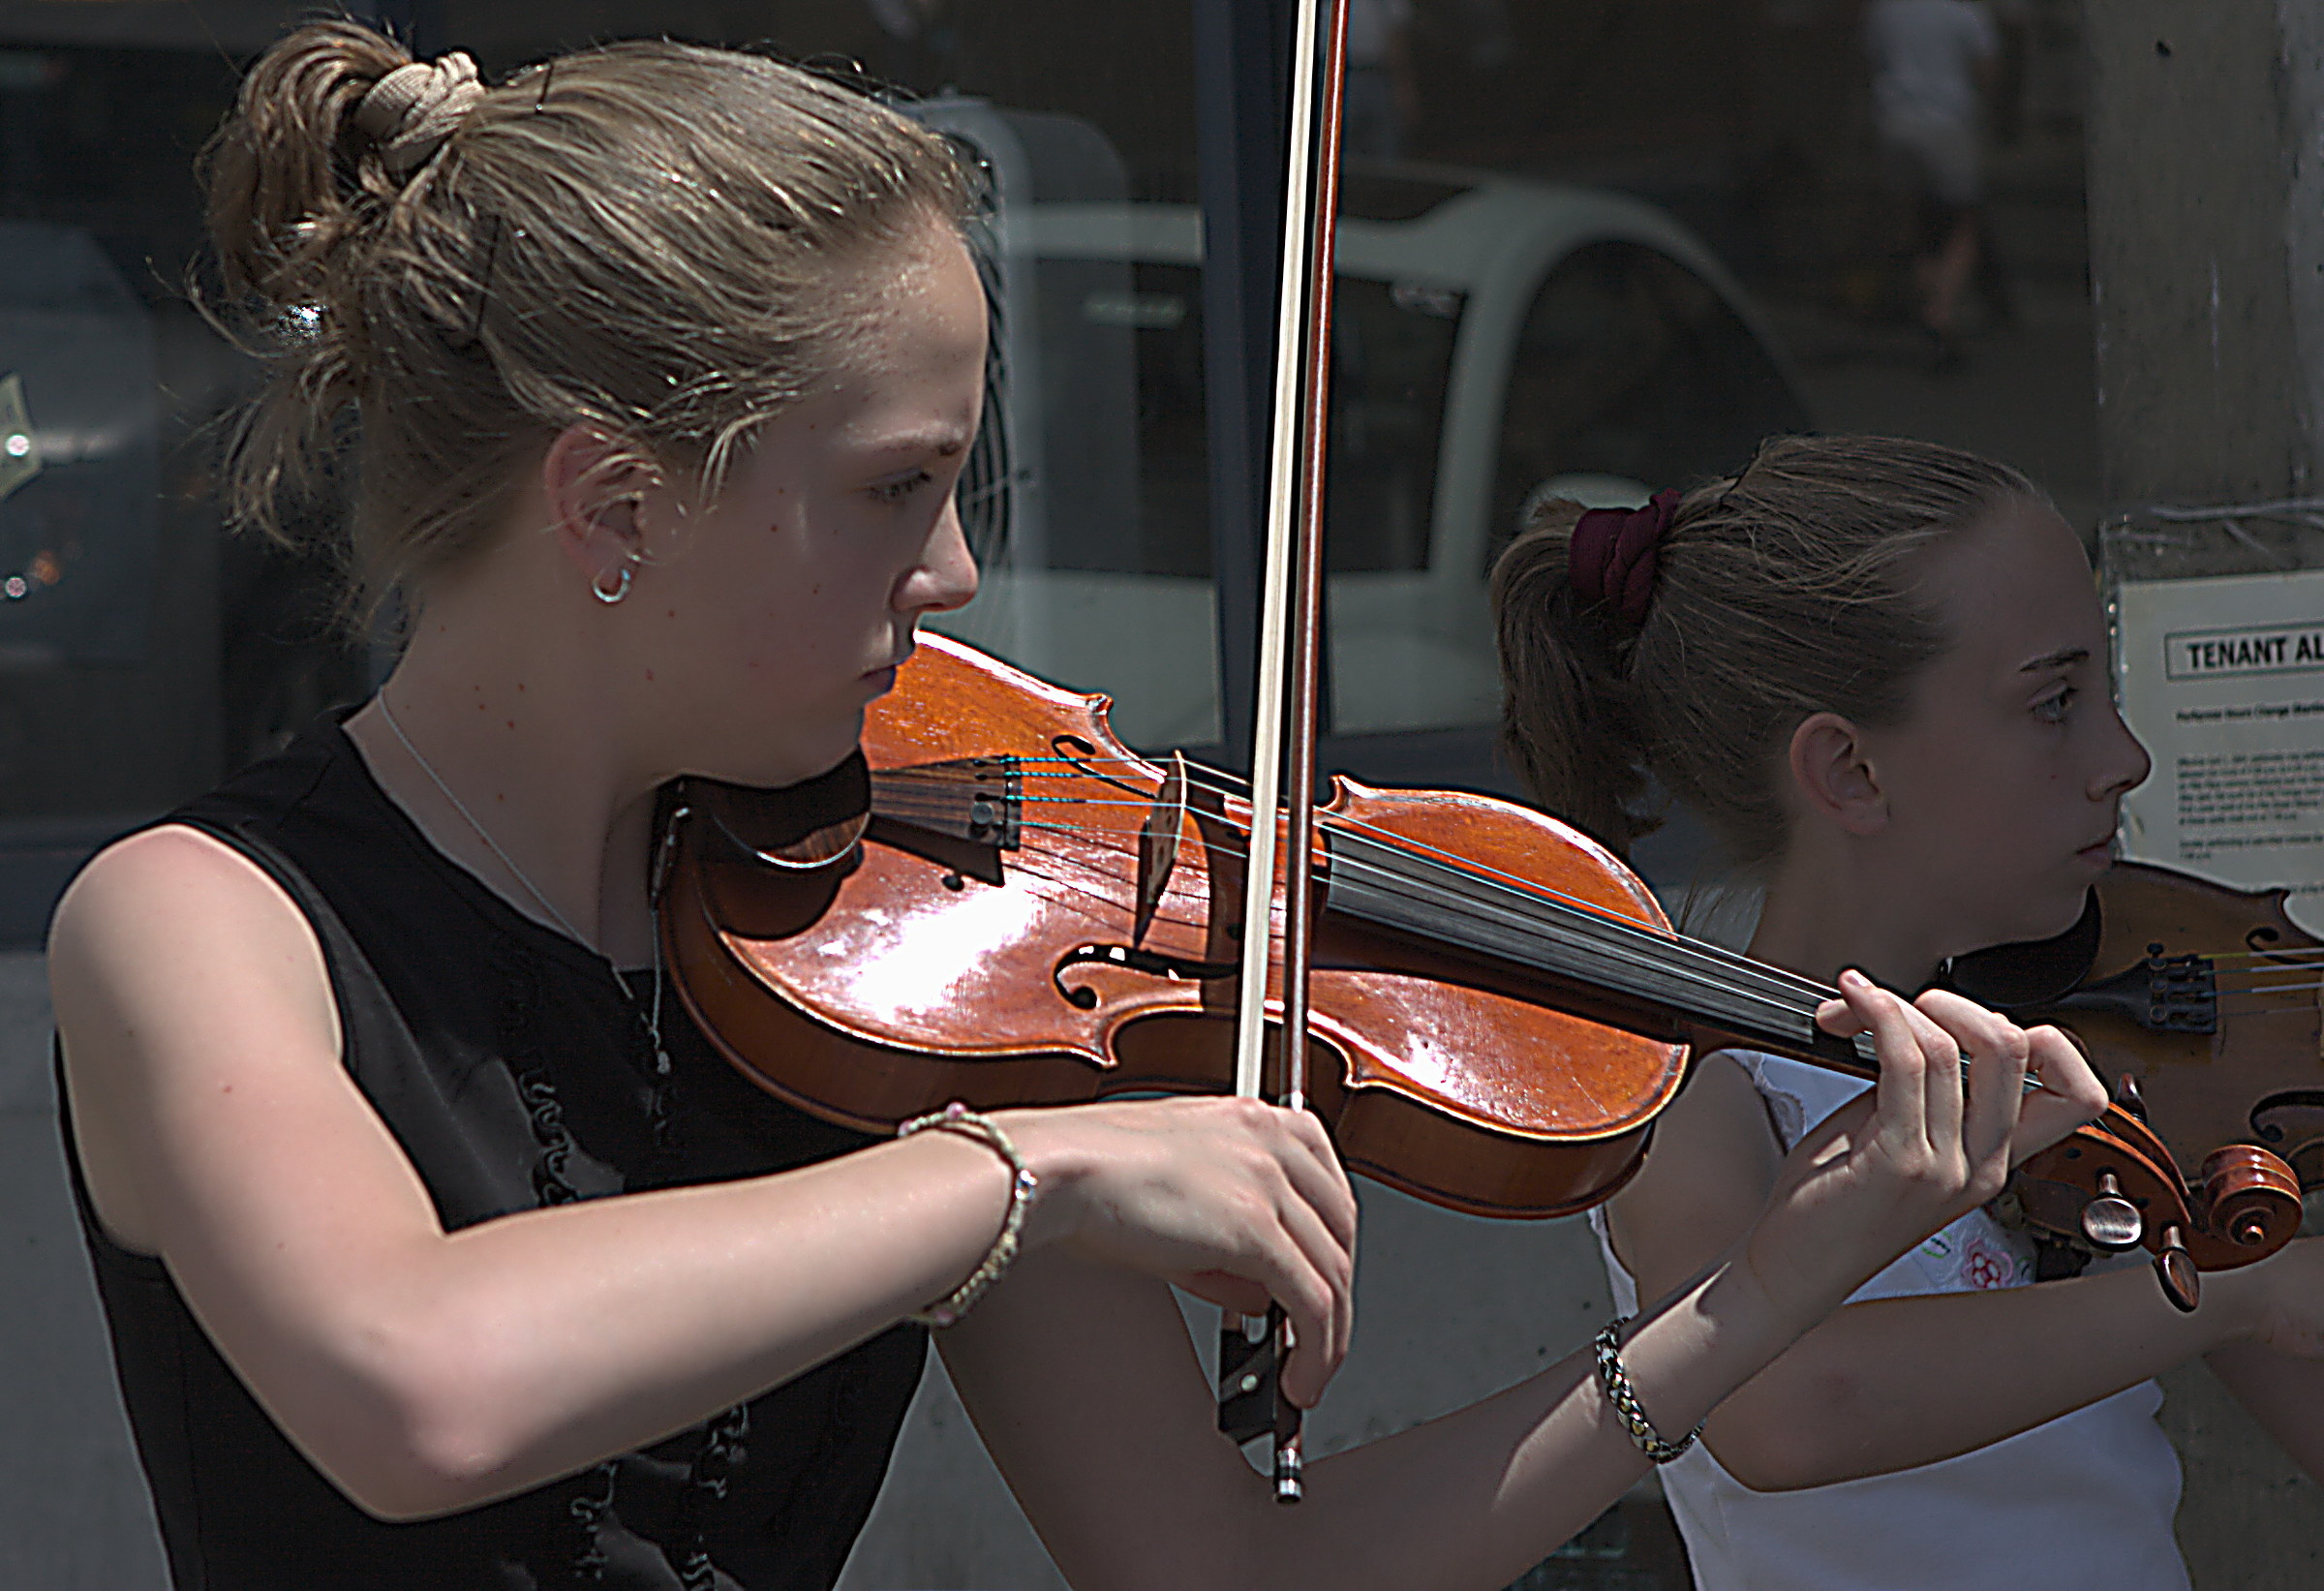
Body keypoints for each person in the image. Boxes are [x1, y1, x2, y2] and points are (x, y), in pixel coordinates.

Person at [50, 27, 2103, 1590]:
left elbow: (1229, 1566)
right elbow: (418, 1380)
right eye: (892, 488)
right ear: (614, 505)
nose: (950, 580)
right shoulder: (198, 923)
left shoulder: (905, 959)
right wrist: (1015, 1179)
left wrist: (1757, 1296)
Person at [1491, 434, 2324, 1591]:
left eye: (2108, 694)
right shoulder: (1696, 1092)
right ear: (1852, 772)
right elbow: (1784, 1408)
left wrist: (2254, 1284)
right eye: (2056, 702)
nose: (2123, 757)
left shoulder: (2105, 1046)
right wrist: (2230, 1293)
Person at [1864, 0, 2003, 363]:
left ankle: (1927, 296)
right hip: (1948, 121)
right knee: (1964, 222)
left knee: (1915, 222)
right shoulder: (1966, 15)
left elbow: (1871, 63)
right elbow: (1987, 73)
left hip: (1895, 121)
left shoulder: (1885, 12)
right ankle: (1941, 310)